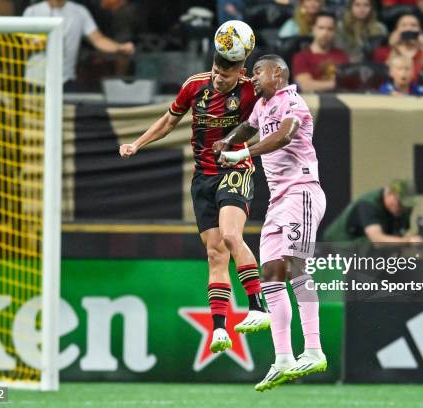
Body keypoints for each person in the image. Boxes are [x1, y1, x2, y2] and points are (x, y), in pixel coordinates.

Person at [119, 52, 269, 354]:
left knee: (230, 236)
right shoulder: (194, 86)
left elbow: (272, 118)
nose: (217, 77)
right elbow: (168, 121)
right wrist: (137, 143)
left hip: (235, 169)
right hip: (203, 178)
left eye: (224, 75)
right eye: (215, 71)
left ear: (239, 72)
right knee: (215, 254)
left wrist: (246, 148)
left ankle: (257, 305)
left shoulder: (251, 90)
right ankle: (219, 330)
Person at [215, 54, 327, 391]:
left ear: (277, 73)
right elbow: (250, 126)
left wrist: (241, 154)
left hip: (302, 192)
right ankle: (282, 358)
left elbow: (284, 136)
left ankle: (313, 349)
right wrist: (229, 140)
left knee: (296, 267)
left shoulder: (291, 100)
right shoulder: (263, 106)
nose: (253, 79)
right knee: (271, 278)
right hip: (278, 201)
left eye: (259, 73)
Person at [23, 0, 136, 90]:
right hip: (34, 81)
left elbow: (98, 39)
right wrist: (41, 43)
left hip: (65, 81)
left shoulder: (79, 11)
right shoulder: (32, 11)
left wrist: (119, 48)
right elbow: (22, 44)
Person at [323, 179, 423, 246]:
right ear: (389, 193)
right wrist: (408, 241)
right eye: (399, 203)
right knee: (369, 246)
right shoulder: (368, 205)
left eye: (406, 205)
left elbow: (399, 233)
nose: (403, 208)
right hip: (338, 245)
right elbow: (377, 239)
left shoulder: (404, 208)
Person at [373, 14, 423, 81]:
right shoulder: (382, 52)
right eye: (404, 25)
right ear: (396, 30)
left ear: (420, 31)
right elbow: (384, 74)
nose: (409, 29)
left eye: (414, 25)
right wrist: (393, 47)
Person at [292, 12, 349, 92]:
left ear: (335, 31)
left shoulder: (342, 55)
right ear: (313, 29)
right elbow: (305, 86)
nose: (325, 33)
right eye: (321, 28)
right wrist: (336, 84)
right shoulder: (301, 57)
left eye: (330, 29)